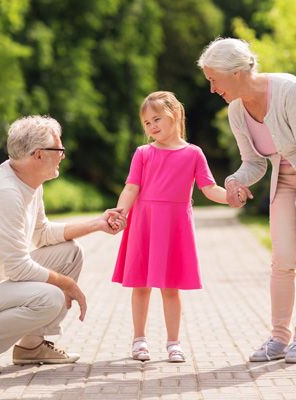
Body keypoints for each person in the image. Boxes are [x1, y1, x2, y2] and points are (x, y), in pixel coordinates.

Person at [0, 115, 126, 374]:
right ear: (38, 155)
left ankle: (31, 347)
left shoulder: (29, 181)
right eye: (59, 150)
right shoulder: (6, 193)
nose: (63, 156)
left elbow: (43, 233)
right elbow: (18, 269)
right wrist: (68, 285)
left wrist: (97, 224)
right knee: (50, 297)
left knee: (69, 254)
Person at [198, 38, 296, 363]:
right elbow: (254, 162)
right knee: (282, 258)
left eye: (214, 79)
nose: (211, 88)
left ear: (236, 73)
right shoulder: (237, 110)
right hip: (286, 172)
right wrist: (235, 180)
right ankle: (279, 338)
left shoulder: (289, 90)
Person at [109, 91, 227, 363]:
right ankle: (139, 340)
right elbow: (131, 187)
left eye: (157, 119)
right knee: (140, 285)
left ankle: (174, 343)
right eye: (147, 123)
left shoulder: (194, 153)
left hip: (174, 226)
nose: (152, 126)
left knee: (170, 287)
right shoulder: (143, 153)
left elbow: (209, 189)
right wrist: (120, 212)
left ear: (175, 115)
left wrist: (231, 197)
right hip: (144, 224)